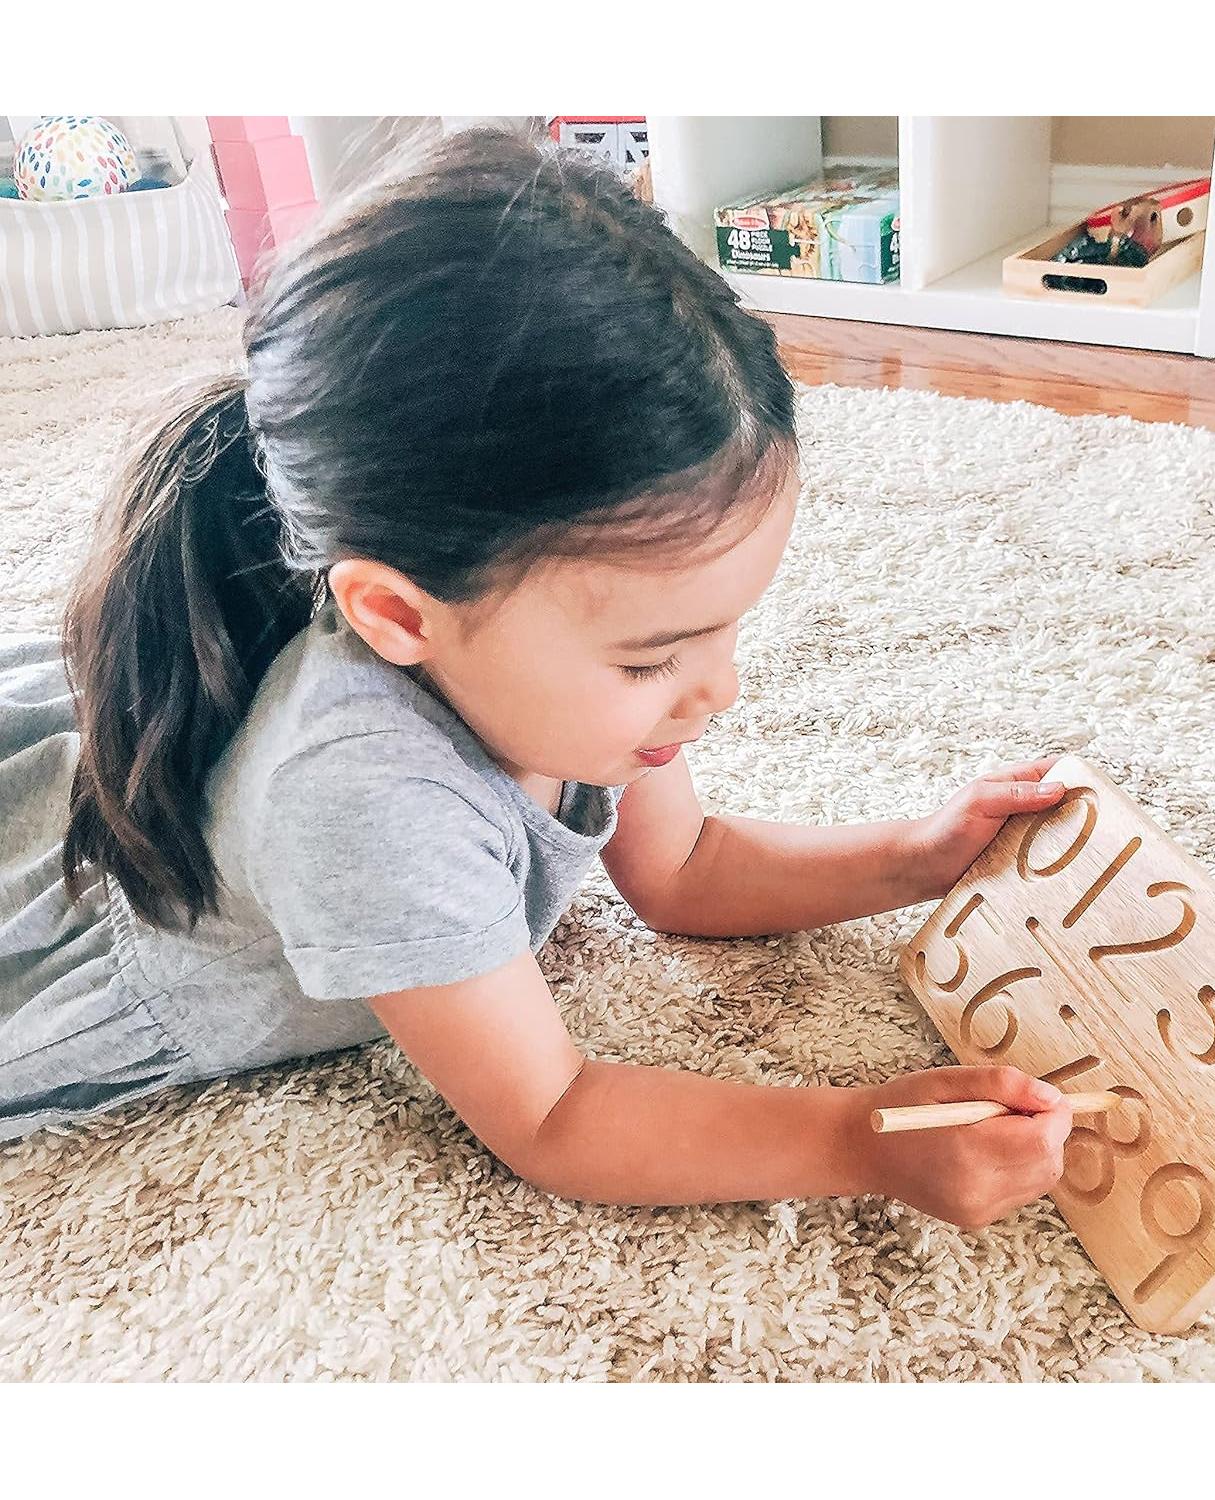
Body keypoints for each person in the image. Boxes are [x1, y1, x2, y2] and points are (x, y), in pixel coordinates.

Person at [0, 125, 1074, 1230]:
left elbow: (687, 872)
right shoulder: (361, 794)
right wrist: (859, 1141)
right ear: (398, 615)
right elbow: (554, 1118)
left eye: (723, 632)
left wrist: (912, 856)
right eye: (654, 657)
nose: (719, 692)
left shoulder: (580, 695)